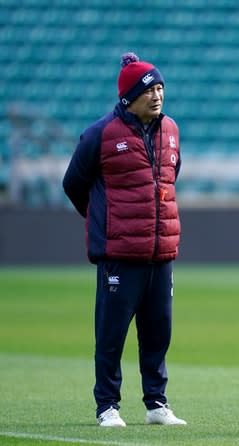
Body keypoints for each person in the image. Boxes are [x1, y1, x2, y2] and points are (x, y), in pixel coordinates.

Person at [63, 52, 187, 427]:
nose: (157, 96)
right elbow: (73, 184)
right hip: (119, 254)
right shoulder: (101, 134)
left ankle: (156, 404)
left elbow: (169, 179)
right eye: (150, 90)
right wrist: (106, 220)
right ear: (129, 96)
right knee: (112, 334)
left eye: (161, 88)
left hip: (160, 251)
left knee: (158, 331)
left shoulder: (172, 131)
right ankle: (107, 407)